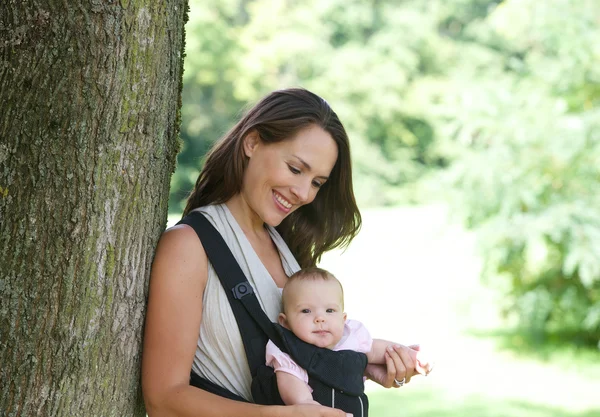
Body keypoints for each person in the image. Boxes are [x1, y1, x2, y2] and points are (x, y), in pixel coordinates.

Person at [142, 88, 428, 417]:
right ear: (252, 143)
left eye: (317, 182)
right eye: (295, 169)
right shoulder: (188, 247)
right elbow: (163, 399)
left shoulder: (284, 247)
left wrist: (360, 367)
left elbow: (289, 360)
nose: (304, 193)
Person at [267, 267, 433, 407]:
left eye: (330, 311)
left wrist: (411, 356)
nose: (320, 318)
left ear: (343, 319)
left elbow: (375, 348)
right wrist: (307, 405)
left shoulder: (350, 337)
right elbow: (290, 383)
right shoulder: (289, 353)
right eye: (306, 311)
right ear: (285, 323)